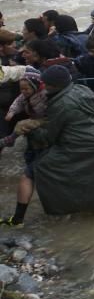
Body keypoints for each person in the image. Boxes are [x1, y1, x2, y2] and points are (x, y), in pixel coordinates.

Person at [21, 65, 94, 216]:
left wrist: (31, 130)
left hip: (84, 148)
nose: (44, 87)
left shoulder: (60, 104)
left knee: (41, 166)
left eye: (46, 84)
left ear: (55, 86)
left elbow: (50, 138)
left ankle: (61, 211)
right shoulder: (81, 89)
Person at [0, 68, 46, 226]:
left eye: (26, 88)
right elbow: (18, 102)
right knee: (30, 170)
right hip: (35, 136)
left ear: (36, 86)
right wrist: (11, 113)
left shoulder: (45, 95)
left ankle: (18, 219)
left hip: (43, 127)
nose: (23, 91)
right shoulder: (26, 95)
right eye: (21, 88)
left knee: (29, 175)